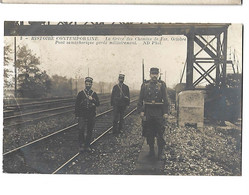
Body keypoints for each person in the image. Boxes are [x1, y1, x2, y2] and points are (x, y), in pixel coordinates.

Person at [137, 67, 169, 160]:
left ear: (158, 75)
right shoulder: (145, 85)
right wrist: (141, 111)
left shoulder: (162, 85)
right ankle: (151, 151)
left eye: (156, 74)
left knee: (160, 132)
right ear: (150, 74)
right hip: (148, 112)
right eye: (153, 74)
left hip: (159, 112)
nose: (154, 76)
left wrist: (165, 112)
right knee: (149, 132)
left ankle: (160, 153)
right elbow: (140, 99)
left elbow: (166, 100)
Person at [75, 77, 100, 152]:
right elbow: (77, 105)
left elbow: (98, 104)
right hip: (82, 114)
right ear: (85, 84)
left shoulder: (94, 94)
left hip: (91, 114)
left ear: (92, 84)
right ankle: (81, 145)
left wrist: (92, 99)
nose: (88, 85)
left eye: (89, 84)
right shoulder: (81, 93)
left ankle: (87, 145)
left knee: (89, 130)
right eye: (87, 84)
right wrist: (77, 115)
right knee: (81, 129)